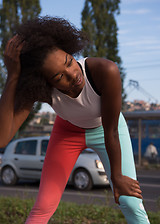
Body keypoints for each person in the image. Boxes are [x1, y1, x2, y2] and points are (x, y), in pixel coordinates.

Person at [0, 16, 150, 224]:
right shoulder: (42, 91)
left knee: (130, 200)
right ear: (44, 83)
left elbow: (112, 131)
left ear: (70, 51)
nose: (72, 75)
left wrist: (117, 178)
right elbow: (2, 138)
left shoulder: (105, 71)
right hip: (67, 133)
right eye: (59, 77)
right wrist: (13, 76)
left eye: (69, 61)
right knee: (43, 207)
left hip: (106, 128)